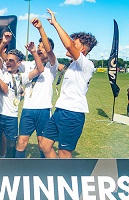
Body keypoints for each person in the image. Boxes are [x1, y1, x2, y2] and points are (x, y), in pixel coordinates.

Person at [39, 9, 98, 158]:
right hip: (60, 110)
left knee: (64, 153)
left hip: (73, 113)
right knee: (44, 145)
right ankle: (57, 173)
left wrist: (55, 23)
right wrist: (41, 30)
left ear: (82, 50)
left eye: (75, 43)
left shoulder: (86, 64)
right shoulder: (71, 65)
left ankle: (64, 178)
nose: (71, 44)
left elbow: (68, 46)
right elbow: (50, 52)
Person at [15, 17, 59, 158]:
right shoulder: (29, 64)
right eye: (38, 48)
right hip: (28, 109)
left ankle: (43, 170)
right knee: (21, 141)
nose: (40, 50)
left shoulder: (52, 66)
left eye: (42, 48)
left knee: (42, 143)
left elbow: (49, 51)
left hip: (44, 110)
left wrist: (40, 29)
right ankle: (17, 169)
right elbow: (11, 62)